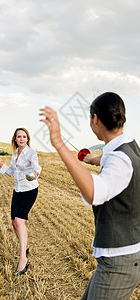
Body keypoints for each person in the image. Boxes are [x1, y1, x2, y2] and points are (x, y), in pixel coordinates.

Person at [40, 92, 140, 299]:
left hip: (119, 261)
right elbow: (111, 160)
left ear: (95, 119)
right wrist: (91, 159)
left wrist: (59, 142)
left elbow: (94, 192)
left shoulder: (121, 159)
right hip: (120, 258)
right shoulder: (129, 147)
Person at [0, 128, 41, 275]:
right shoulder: (15, 155)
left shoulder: (31, 152)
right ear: (15, 139)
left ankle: (23, 259)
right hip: (18, 190)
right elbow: (10, 172)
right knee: (14, 221)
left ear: (27, 139)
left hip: (29, 190)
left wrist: (35, 173)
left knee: (19, 221)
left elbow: (36, 166)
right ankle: (24, 248)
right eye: (19, 136)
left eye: (24, 136)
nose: (21, 139)